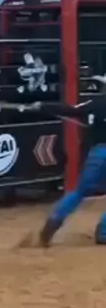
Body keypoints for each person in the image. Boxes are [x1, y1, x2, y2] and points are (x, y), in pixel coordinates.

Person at [35, 79, 106, 246]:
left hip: (98, 152)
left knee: (79, 192)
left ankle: (53, 221)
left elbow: (70, 110)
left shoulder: (96, 103)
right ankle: (103, 232)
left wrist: (43, 106)